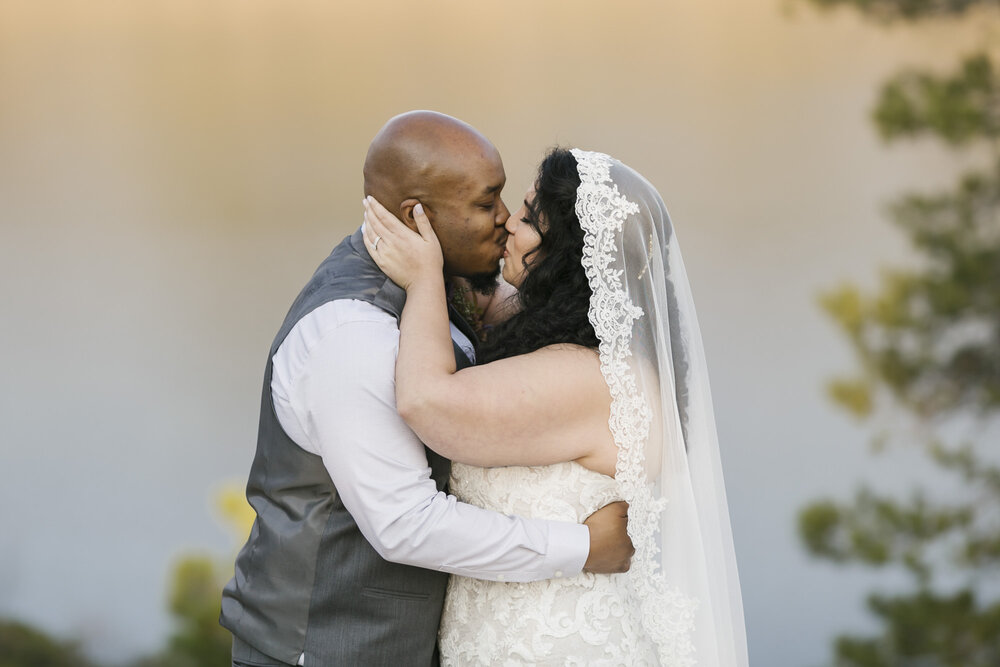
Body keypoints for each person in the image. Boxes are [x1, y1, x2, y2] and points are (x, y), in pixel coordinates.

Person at [219, 112, 634, 667]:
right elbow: (404, 525)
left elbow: (552, 305)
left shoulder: (440, 287)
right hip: (322, 649)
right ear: (419, 215)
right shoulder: (354, 334)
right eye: (487, 204)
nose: (505, 219)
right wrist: (583, 548)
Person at [363, 147, 749, 665]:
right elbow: (492, 302)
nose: (507, 225)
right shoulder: (593, 350)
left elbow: (425, 402)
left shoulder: (588, 377)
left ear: (567, 251)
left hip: (553, 646)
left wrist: (424, 279)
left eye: (527, 216)